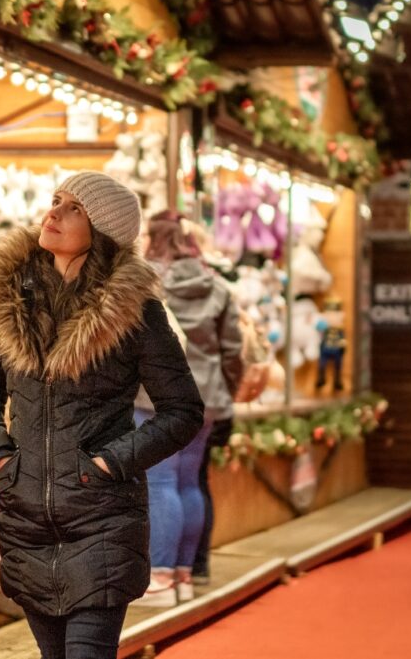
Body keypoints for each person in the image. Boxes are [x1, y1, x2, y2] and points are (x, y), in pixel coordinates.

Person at [0, 172, 203, 659]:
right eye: (55, 201)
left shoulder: (134, 311)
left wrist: (110, 463)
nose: (54, 213)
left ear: (104, 230)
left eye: (74, 208)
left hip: (102, 521)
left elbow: (182, 410)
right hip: (26, 521)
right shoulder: (11, 302)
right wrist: (2, 460)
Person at [136, 211, 244, 606]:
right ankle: (183, 574)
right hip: (207, 398)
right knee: (188, 482)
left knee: (161, 483)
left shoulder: (145, 281)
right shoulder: (216, 285)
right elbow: (234, 351)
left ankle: (160, 579)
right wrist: (222, 391)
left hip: (156, 399)